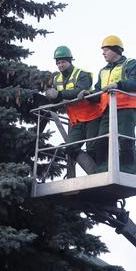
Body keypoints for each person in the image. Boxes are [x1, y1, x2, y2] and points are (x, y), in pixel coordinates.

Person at [85, 35, 136, 174]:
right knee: (102, 140)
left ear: (116, 50)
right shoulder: (103, 71)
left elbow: (135, 82)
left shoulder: (131, 63)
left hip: (127, 107)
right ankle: (104, 169)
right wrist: (88, 95)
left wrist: (117, 85)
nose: (103, 53)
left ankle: (127, 170)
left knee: (125, 139)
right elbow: (99, 90)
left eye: (106, 50)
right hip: (108, 109)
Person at [43, 46, 102, 177]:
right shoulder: (56, 79)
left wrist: (58, 94)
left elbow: (79, 91)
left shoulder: (82, 75)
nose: (60, 65)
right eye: (58, 62)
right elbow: (57, 98)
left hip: (91, 116)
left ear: (70, 61)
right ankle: (95, 173)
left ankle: (98, 176)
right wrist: (51, 97)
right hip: (75, 120)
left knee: (93, 148)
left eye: (63, 61)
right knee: (70, 147)